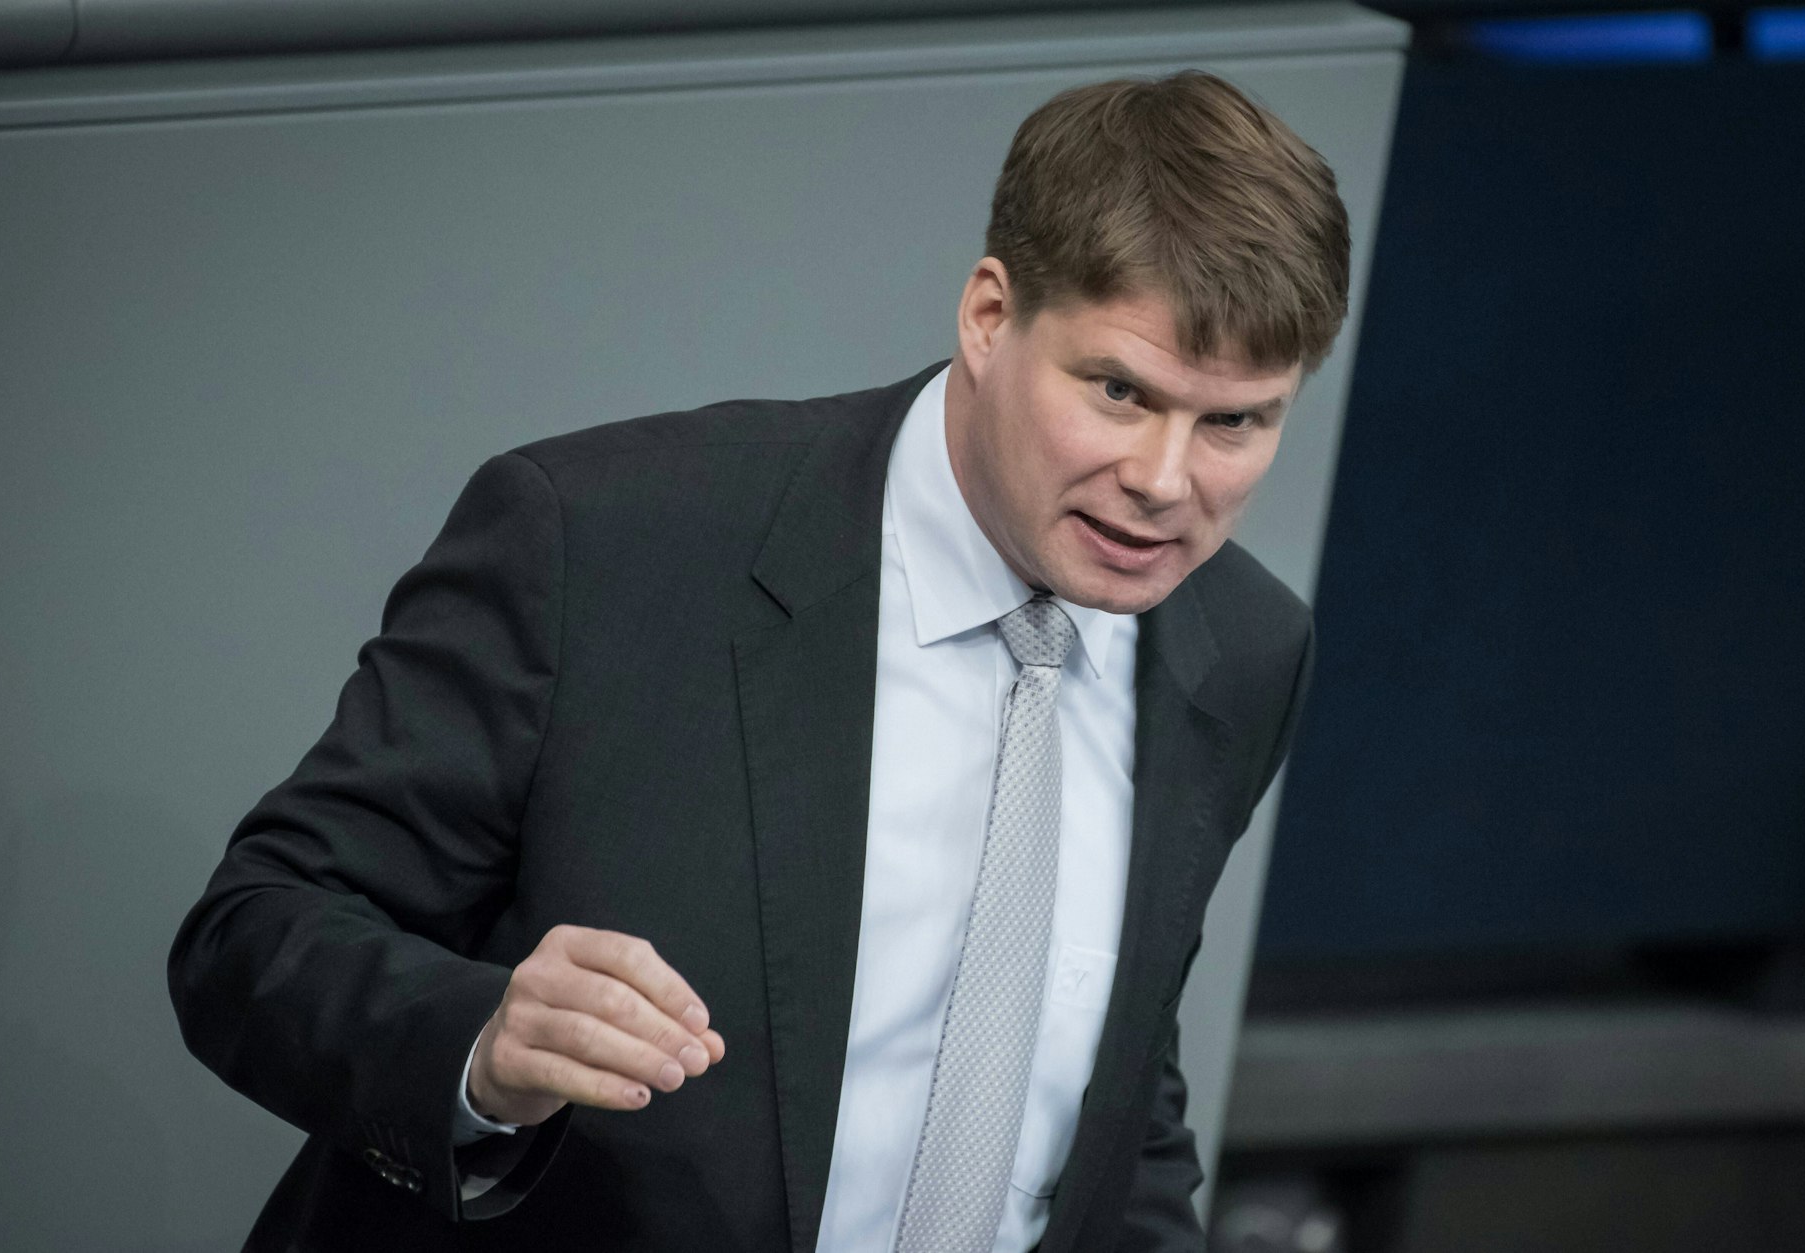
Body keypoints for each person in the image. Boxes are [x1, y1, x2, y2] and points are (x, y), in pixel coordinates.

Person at [169, 69, 1348, 1253]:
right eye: (1117, 391)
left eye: (1233, 421)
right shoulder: (599, 540)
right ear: (990, 317)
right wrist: (481, 1046)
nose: (1163, 481)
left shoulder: (1244, 649)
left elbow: (1115, 1086)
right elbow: (255, 932)